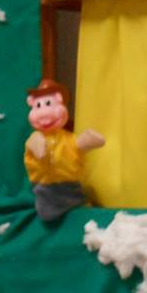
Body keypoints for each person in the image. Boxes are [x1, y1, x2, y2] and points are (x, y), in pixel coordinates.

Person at [23, 79, 104, 221]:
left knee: (82, 210)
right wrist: (39, 146)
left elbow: (76, 145)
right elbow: (34, 147)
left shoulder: (68, 138)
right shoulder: (35, 138)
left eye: (49, 104)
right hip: (45, 190)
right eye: (39, 106)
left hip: (71, 186)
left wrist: (87, 140)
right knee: (48, 214)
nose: (44, 113)